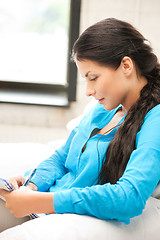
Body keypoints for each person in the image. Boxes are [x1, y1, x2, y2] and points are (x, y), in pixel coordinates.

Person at [0, 18, 160, 239]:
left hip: (61, 212)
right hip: (45, 202)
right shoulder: (104, 108)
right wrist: (33, 185)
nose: (88, 91)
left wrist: (41, 202)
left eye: (93, 78)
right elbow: (63, 157)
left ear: (126, 65)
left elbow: (128, 197)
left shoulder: (155, 120)